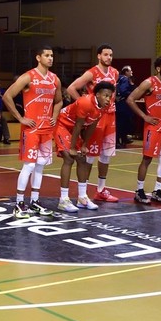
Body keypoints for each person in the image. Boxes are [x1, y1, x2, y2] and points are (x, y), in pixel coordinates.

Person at [2, 45, 63, 218]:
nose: (50, 58)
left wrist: (55, 116)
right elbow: (7, 96)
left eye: (52, 56)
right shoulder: (28, 76)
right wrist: (20, 118)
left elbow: (58, 101)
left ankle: (35, 202)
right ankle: (19, 203)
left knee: (40, 166)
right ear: (38, 57)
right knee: (28, 165)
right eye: (47, 55)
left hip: (46, 129)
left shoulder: (54, 79)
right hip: (31, 129)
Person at [66, 44, 120, 203]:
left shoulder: (115, 73)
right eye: (105, 54)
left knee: (106, 155)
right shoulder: (92, 73)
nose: (108, 57)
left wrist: (112, 102)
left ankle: (101, 190)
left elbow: (112, 92)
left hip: (110, 117)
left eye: (110, 55)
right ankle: (83, 192)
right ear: (98, 56)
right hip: (95, 119)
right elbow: (71, 88)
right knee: (89, 155)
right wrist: (85, 105)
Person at [54, 82, 115, 212]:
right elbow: (78, 125)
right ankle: (63, 200)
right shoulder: (85, 102)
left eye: (110, 96)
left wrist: (84, 145)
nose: (108, 99)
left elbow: (92, 125)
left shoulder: (104, 106)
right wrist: (72, 147)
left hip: (75, 129)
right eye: (106, 96)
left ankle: (82, 198)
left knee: (82, 159)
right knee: (69, 158)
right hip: (63, 125)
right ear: (97, 94)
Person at [126, 56, 161, 205]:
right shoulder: (149, 82)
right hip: (152, 126)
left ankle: (157, 191)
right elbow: (130, 99)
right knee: (147, 159)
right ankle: (139, 191)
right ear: (158, 68)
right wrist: (144, 116)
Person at [115, 65, 135, 148]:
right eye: (130, 71)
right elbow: (123, 91)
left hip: (116, 104)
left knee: (118, 124)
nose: (132, 72)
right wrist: (132, 94)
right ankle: (119, 141)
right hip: (123, 105)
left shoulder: (117, 78)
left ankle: (120, 140)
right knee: (122, 124)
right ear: (126, 72)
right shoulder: (125, 79)